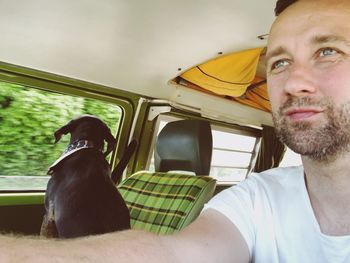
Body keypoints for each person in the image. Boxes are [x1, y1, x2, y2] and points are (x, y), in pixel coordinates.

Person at [2, 0, 350, 261]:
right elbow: (173, 254)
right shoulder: (257, 197)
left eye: (328, 51)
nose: (294, 82)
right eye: (280, 62)